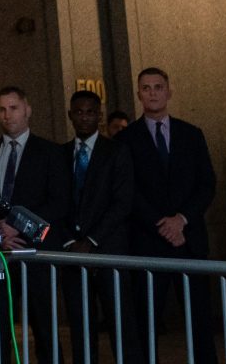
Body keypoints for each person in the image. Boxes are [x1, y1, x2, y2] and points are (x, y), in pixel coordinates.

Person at [121, 68, 216, 364]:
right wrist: (161, 224)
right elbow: (129, 190)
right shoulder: (126, 139)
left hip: (189, 239)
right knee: (146, 319)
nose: (152, 92)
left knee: (199, 318)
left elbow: (207, 183)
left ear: (169, 91)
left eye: (158, 87)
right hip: (149, 241)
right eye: (146, 88)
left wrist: (181, 220)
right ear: (139, 94)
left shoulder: (191, 134)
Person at [0, 86, 69, 364]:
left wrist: (17, 226)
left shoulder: (51, 152)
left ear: (27, 110)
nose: (7, 115)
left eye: (13, 108)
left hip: (37, 253)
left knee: (45, 329)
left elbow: (59, 202)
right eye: (2, 109)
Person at [61, 89, 141, 364]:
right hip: (71, 253)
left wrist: (91, 241)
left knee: (122, 325)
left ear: (100, 116)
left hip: (109, 250)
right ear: (70, 115)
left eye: (90, 112)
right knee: (81, 328)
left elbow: (122, 202)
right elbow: (57, 204)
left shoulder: (117, 151)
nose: (84, 117)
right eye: (79, 112)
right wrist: (71, 242)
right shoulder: (60, 154)